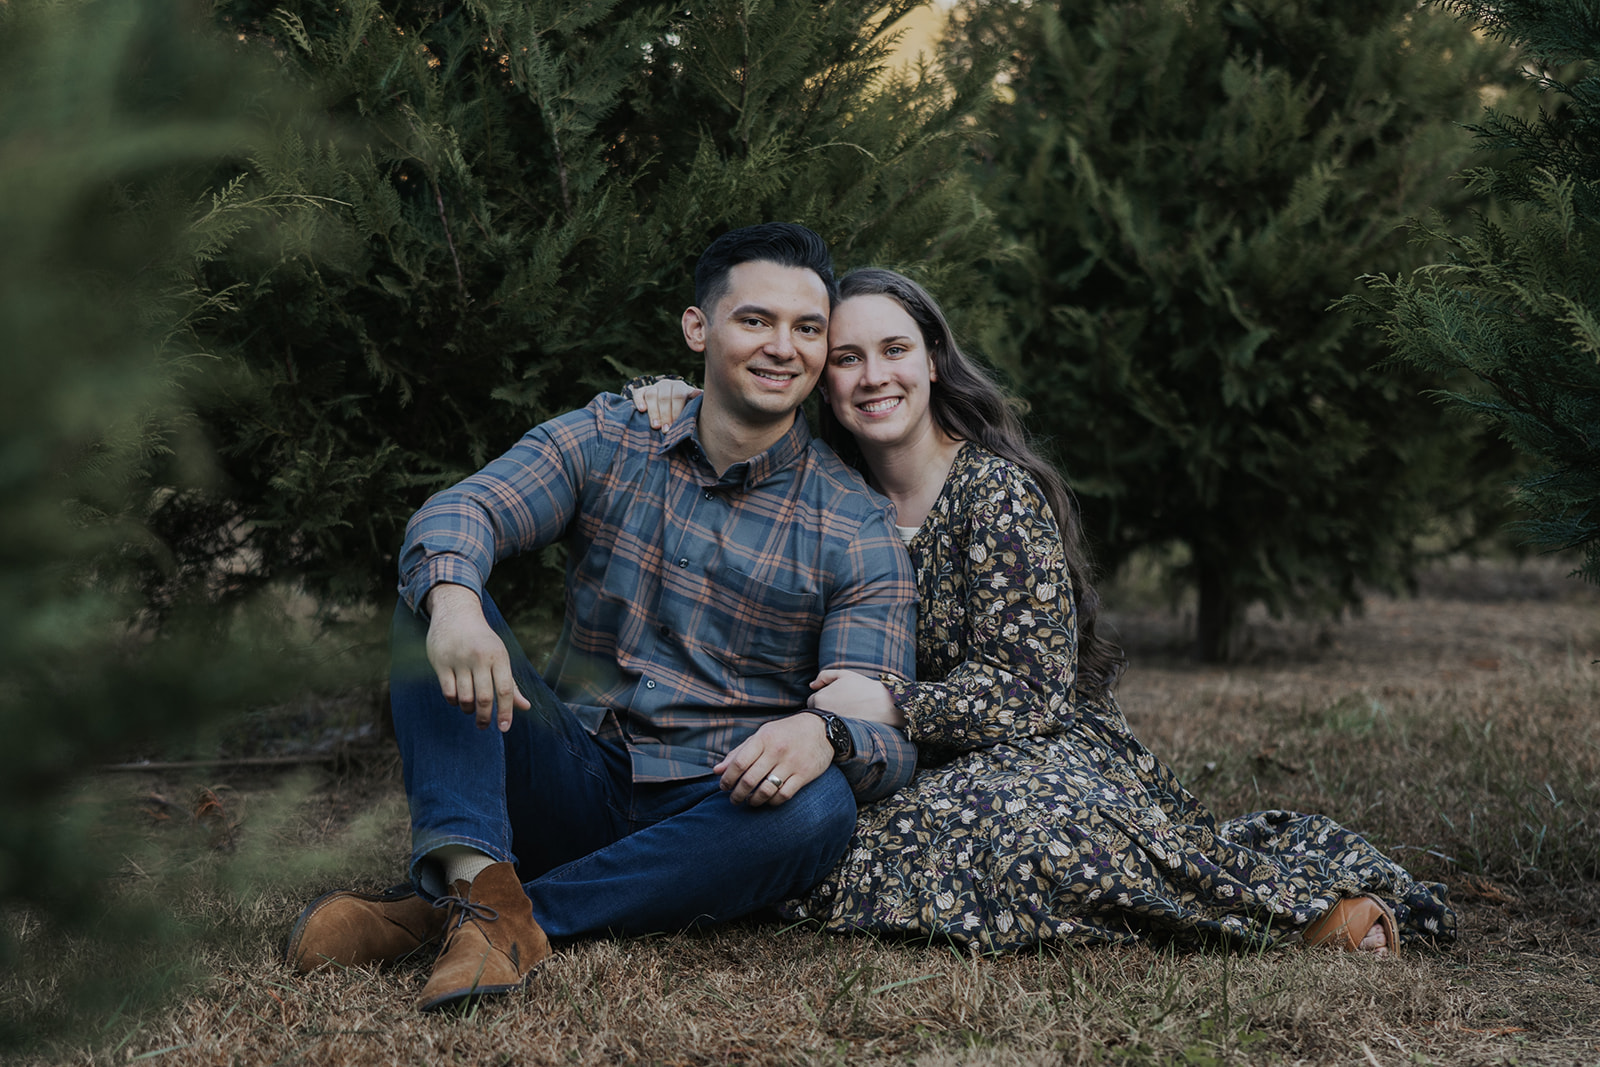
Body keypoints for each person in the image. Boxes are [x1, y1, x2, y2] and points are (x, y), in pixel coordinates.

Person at [628, 267, 1456, 955]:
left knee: (1032, 829)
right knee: (834, 846)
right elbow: (728, 423)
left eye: (894, 349)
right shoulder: (818, 491)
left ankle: (1295, 915)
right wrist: (679, 397)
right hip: (889, 769)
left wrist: (889, 703)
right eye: (845, 357)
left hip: (1034, 745)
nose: (873, 375)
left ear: (934, 363)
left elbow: (1028, 692)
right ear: (820, 378)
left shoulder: (993, 492)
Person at [283, 224, 921, 1011]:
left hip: (708, 812)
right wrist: (454, 605)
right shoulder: (613, 437)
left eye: (808, 328)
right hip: (570, 772)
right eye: (755, 320)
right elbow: (464, 510)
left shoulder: (855, 524)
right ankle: (483, 883)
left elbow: (889, 745)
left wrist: (825, 733)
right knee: (438, 589)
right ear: (699, 327)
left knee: (820, 810)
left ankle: (482, 913)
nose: (782, 346)